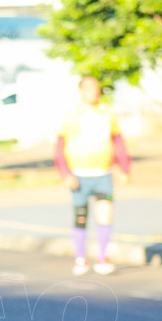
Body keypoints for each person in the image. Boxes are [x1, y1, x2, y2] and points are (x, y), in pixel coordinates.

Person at [54, 76, 131, 276]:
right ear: (81, 91)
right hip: (79, 175)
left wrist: (124, 168)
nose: (93, 92)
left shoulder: (107, 112)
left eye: (96, 88)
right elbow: (59, 147)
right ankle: (80, 257)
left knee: (105, 214)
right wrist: (65, 173)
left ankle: (102, 256)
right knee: (81, 216)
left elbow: (118, 141)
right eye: (89, 88)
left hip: (103, 174)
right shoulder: (71, 115)